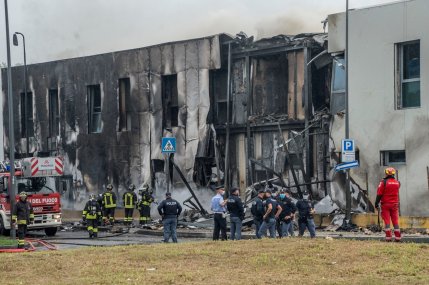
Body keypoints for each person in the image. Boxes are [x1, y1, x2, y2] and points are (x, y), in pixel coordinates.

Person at [375, 167, 401, 242]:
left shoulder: (383, 182)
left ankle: (388, 238)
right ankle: (398, 238)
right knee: (395, 221)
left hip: (385, 204)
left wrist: (376, 203)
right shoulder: (398, 182)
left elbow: (379, 194)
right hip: (395, 205)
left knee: (387, 221)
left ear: (386, 173)